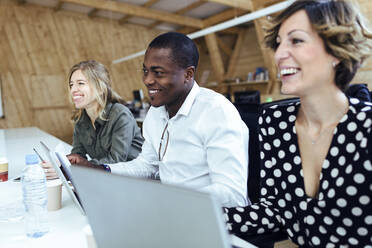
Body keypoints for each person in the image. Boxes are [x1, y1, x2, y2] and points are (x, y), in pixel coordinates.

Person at [224, 0, 372, 247]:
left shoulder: (366, 126)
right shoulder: (275, 123)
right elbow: (275, 211)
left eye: (296, 40)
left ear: (336, 52)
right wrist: (211, 215)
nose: (279, 54)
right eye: (279, 42)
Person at [75, 32, 249, 207]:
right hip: (171, 210)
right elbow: (148, 166)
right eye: (145, 71)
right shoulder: (155, 113)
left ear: (188, 75)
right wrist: (103, 170)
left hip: (214, 216)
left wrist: (167, 200)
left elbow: (232, 194)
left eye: (158, 73)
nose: (147, 80)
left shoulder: (216, 112)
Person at [43, 60, 144, 179]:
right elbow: (78, 154)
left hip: (136, 180)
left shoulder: (120, 114)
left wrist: (74, 168)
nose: (73, 90)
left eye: (80, 83)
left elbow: (116, 161)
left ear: (101, 88)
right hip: (107, 179)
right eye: (71, 85)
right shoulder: (80, 118)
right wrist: (62, 165)